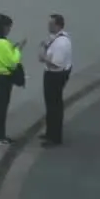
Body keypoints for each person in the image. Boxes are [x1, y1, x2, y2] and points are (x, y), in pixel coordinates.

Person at [0, 14, 25, 143]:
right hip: (4, 76)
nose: (9, 30)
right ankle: (1, 135)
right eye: (8, 27)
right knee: (3, 105)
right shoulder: (2, 42)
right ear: (3, 27)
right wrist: (18, 50)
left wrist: (11, 49)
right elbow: (12, 62)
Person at [39, 13, 73, 147]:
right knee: (51, 104)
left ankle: (54, 137)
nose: (48, 26)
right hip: (55, 74)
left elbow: (56, 64)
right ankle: (50, 131)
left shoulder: (61, 43)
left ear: (58, 25)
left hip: (55, 76)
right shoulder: (59, 37)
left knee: (54, 106)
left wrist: (43, 58)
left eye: (51, 24)